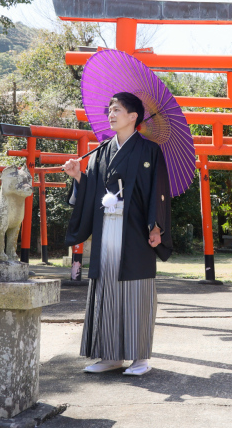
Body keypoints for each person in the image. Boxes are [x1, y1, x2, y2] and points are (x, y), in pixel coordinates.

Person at [63, 92, 172, 376]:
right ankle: (110, 355)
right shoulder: (100, 151)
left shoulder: (150, 150)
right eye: (109, 110)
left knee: (136, 291)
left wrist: (157, 226)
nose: (111, 114)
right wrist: (78, 177)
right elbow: (90, 193)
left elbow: (158, 192)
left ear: (134, 116)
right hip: (105, 228)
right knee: (106, 288)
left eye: (118, 110)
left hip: (134, 230)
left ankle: (139, 358)